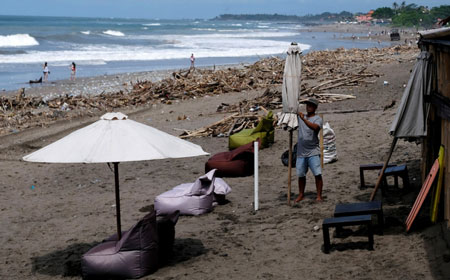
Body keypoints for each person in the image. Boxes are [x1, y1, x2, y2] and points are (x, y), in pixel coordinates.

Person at [295, 98, 323, 202]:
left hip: (313, 151)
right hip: (301, 152)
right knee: (301, 174)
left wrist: (304, 119)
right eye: (307, 105)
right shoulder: (301, 117)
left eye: (311, 106)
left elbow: (315, 128)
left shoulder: (317, 119)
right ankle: (301, 194)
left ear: (315, 108)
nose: (308, 107)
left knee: (317, 174)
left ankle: (319, 195)